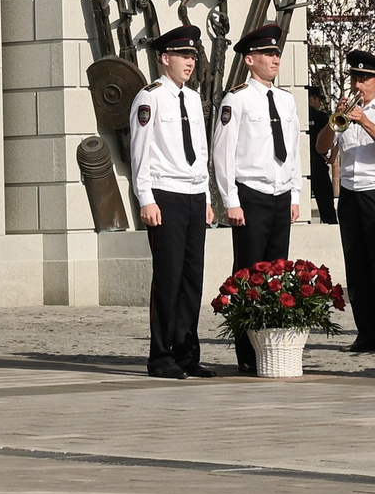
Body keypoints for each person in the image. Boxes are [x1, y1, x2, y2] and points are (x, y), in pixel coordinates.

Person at [213, 23, 304, 378]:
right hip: (250, 194)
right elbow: (224, 153)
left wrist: (295, 194)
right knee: (249, 275)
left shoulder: (285, 100)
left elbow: (293, 151)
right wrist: (230, 200)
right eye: (268, 54)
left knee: (276, 275)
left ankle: (272, 346)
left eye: (277, 53)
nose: (275, 59)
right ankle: (246, 352)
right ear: (250, 60)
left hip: (280, 193)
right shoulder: (237, 99)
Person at [128, 24, 213, 378]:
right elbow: (140, 152)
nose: (189, 62)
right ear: (165, 59)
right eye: (182, 56)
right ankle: (161, 355)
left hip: (193, 193)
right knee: (169, 276)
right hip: (165, 194)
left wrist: (207, 196)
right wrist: (145, 198)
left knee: (192, 277)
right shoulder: (150, 96)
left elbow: (201, 151)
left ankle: (187, 353)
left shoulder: (192, 98)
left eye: (192, 55)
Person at [318, 49, 375, 355]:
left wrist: (365, 120)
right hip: (350, 193)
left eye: (364, 79)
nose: (358, 84)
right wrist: (335, 122)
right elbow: (321, 147)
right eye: (355, 78)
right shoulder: (343, 109)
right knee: (357, 267)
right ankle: (367, 334)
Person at [304, 82, 338, 225]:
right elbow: (333, 142)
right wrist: (331, 158)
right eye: (319, 100)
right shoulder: (322, 117)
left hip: (301, 165)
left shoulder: (298, 116)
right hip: (318, 164)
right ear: (312, 99)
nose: (319, 103)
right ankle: (331, 229)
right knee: (326, 205)